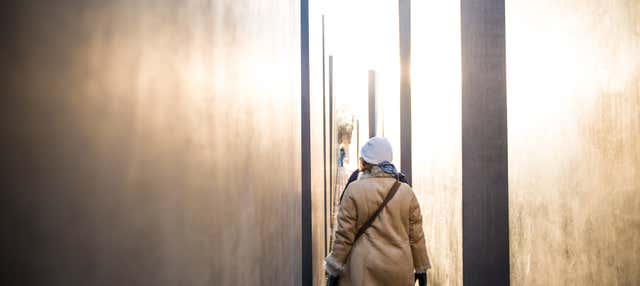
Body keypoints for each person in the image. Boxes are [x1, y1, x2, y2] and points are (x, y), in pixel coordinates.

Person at [325, 137, 430, 286]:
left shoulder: (354, 190)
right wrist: (421, 268)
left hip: (363, 271)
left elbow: (344, 237)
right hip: (399, 272)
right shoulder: (406, 191)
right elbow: (416, 237)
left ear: (365, 161)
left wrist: (333, 269)